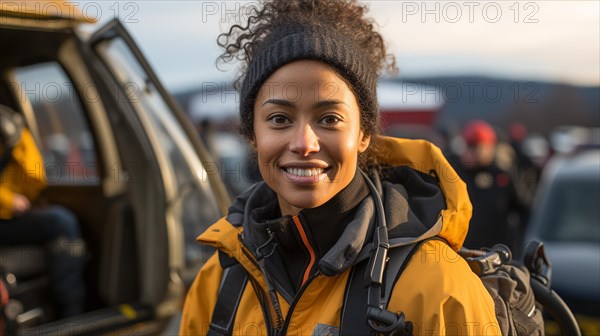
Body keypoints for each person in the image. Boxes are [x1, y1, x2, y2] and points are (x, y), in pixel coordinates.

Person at [181, 1, 500, 335]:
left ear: (364, 133)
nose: (304, 143)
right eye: (279, 119)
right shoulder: (218, 281)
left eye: (329, 118)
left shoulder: (439, 287)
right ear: (252, 136)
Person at [0, 104, 86, 319]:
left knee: (62, 222)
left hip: (8, 215)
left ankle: (70, 311)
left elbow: (36, 177)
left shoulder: (11, 128)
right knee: (60, 221)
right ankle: (71, 311)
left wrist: (14, 136)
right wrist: (9, 201)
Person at [454, 120, 526, 254]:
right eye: (468, 146)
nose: (471, 152)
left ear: (490, 147)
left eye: (476, 146)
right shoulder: (455, 174)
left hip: (496, 253)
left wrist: (518, 241)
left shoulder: (502, 176)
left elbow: (523, 210)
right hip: (463, 251)